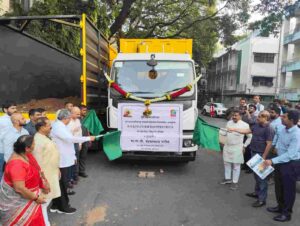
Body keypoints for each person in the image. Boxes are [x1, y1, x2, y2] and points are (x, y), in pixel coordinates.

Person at [50, 109, 95, 214]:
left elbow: (70, 139)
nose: (71, 120)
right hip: (62, 160)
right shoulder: (58, 127)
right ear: (66, 118)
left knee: (61, 184)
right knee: (62, 184)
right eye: (69, 118)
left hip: (66, 159)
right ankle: (63, 207)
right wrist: (88, 138)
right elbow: (70, 139)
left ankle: (56, 205)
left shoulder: (61, 126)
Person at [0, 135, 49, 226]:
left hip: (30, 198)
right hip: (22, 204)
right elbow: (19, 188)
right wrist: (36, 198)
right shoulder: (16, 165)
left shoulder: (26, 155)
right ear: (27, 148)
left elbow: (37, 169)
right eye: (33, 143)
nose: (35, 145)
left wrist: (43, 183)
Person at [229, 110, 274, 207]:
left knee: (262, 178)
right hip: (254, 152)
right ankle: (257, 193)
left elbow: (269, 144)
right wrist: (234, 130)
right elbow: (247, 131)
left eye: (259, 117)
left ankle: (262, 200)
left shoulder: (269, 128)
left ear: (265, 118)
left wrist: (264, 157)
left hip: (261, 154)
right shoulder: (257, 125)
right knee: (256, 176)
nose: (257, 118)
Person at [263, 110, 300, 222]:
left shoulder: (297, 134)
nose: (281, 118)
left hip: (291, 164)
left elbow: (291, 154)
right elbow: (279, 144)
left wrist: (272, 161)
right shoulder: (283, 129)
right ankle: (280, 207)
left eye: (284, 117)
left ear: (292, 120)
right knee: (278, 186)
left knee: (288, 190)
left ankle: (287, 213)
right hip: (279, 161)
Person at [33, 117, 60, 226]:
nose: (51, 127)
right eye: (49, 125)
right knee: (43, 202)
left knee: (47, 200)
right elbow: (37, 163)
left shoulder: (44, 137)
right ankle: (44, 223)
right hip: (46, 176)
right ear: (41, 127)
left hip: (51, 173)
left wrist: (57, 169)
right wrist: (43, 180)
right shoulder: (38, 141)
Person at [220, 110, 252, 190]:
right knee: (226, 163)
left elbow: (250, 137)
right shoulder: (229, 122)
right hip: (227, 146)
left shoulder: (245, 125)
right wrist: (220, 130)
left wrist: (244, 146)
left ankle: (234, 182)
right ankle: (227, 179)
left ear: (240, 116)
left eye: (236, 115)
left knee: (236, 166)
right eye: (233, 115)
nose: (234, 117)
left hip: (238, 147)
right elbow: (224, 133)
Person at [0, 101, 17, 179]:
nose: (15, 110)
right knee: (1, 173)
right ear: (5, 110)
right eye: (12, 108)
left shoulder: (14, 119)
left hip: (11, 151)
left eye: (15, 108)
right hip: (2, 151)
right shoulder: (3, 120)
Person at [67, 106, 82, 187]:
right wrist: (73, 130)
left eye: (79, 114)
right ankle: (70, 179)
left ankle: (75, 177)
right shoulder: (67, 121)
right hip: (69, 144)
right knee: (70, 161)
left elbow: (80, 132)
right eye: (77, 114)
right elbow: (66, 134)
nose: (79, 115)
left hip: (76, 143)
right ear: (71, 113)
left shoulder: (78, 121)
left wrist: (80, 143)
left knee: (76, 160)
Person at [79, 105, 89, 178]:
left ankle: (81, 171)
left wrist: (88, 138)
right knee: (77, 157)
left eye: (86, 110)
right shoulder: (76, 120)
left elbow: (87, 128)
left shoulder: (85, 118)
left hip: (85, 139)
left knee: (83, 156)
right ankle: (75, 174)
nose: (85, 112)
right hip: (78, 141)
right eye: (84, 110)